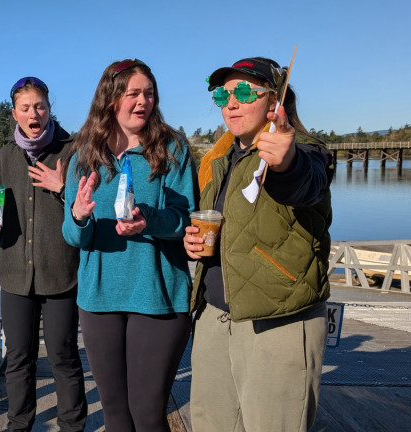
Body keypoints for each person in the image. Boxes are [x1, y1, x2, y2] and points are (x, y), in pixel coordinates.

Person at [184, 57, 333, 432]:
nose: (230, 103)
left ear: (274, 101)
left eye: (245, 92)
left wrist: (287, 162)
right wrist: (196, 243)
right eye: (222, 94)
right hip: (216, 318)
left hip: (278, 322)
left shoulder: (307, 151)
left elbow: (304, 184)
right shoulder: (221, 161)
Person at [62, 59, 197, 431]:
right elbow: (74, 238)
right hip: (99, 298)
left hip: (158, 296)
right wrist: (79, 215)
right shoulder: (83, 155)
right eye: (133, 93)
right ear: (111, 98)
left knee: (148, 411)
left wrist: (149, 220)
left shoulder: (172, 148)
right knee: (116, 413)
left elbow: (185, 220)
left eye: (149, 94)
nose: (143, 102)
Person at [0, 77, 88, 431]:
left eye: (40, 106)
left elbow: (88, 207)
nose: (33, 113)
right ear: (15, 114)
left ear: (49, 109)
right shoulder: (6, 155)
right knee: (18, 358)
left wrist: (62, 187)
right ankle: (18, 424)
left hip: (61, 273)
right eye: (26, 108)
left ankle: (72, 425)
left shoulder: (73, 150)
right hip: (16, 275)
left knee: (63, 357)